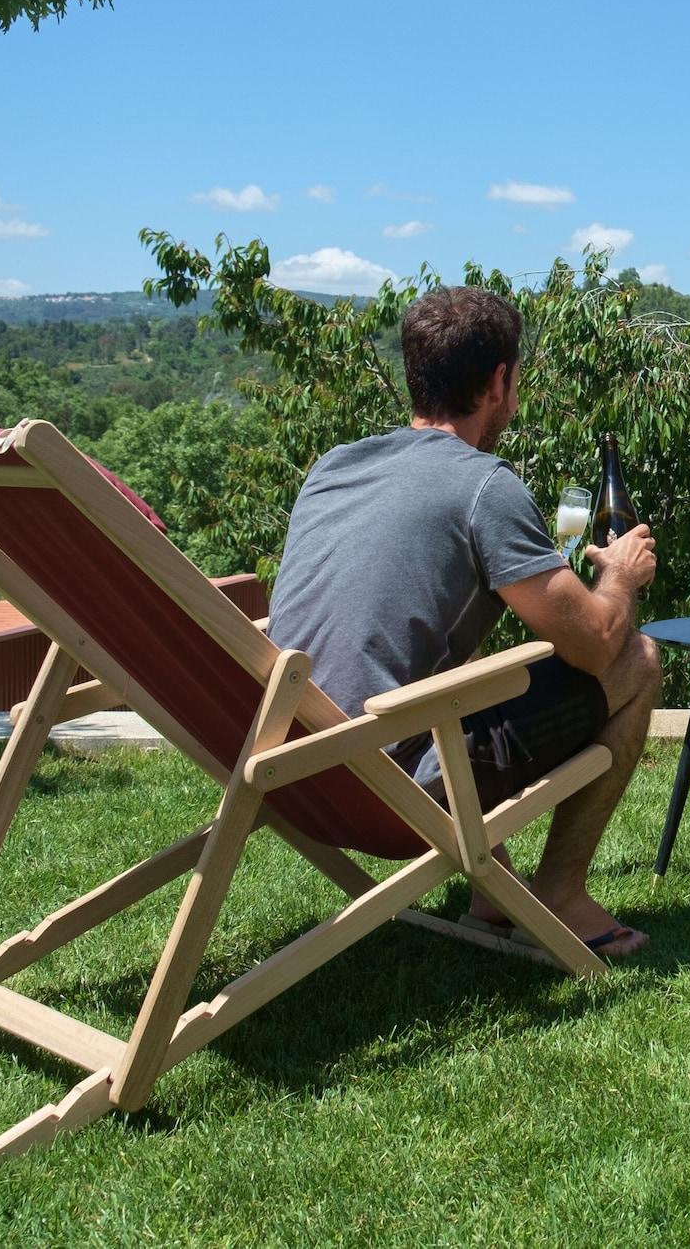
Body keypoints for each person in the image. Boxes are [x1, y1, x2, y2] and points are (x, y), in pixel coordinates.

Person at [269, 286, 661, 956]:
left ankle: (491, 886)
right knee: (640, 660)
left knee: (462, 675)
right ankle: (561, 894)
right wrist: (619, 577)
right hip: (390, 784)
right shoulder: (483, 485)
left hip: (289, 763)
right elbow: (596, 645)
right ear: (500, 381)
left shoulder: (332, 468)